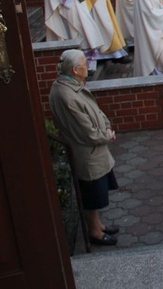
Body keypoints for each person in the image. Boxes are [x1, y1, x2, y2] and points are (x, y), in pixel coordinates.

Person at [49, 49, 120, 246]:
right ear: (75, 70)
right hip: (87, 153)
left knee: (96, 193)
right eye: (84, 65)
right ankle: (94, 232)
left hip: (94, 151)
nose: (88, 68)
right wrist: (105, 135)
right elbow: (85, 130)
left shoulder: (71, 86)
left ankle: (98, 224)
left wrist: (106, 125)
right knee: (92, 196)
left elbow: (94, 110)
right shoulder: (66, 95)